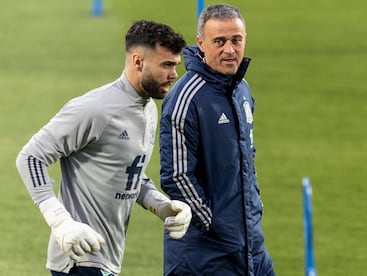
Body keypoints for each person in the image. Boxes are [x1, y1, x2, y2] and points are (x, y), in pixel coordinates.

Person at [16, 19, 191, 276]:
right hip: (78, 259)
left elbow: (130, 172)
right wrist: (61, 223)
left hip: (105, 260)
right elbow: (30, 157)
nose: (174, 74)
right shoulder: (95, 108)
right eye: (166, 65)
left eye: (175, 65)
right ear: (138, 61)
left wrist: (161, 206)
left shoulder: (149, 109)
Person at [159, 3, 276, 276]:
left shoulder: (241, 89)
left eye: (236, 40)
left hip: (250, 245)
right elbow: (176, 176)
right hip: (204, 255)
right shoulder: (185, 99)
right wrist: (214, 222)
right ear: (201, 43)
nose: (230, 50)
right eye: (219, 41)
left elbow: (247, 156)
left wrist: (252, 208)